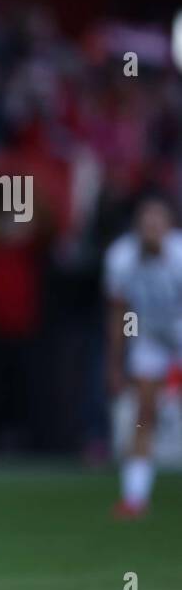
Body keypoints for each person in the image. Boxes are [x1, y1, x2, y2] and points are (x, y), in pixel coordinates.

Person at [104, 194, 182, 518]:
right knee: (143, 413)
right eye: (146, 220)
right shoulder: (120, 257)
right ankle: (135, 497)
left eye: (158, 220)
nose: (152, 227)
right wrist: (115, 362)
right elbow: (120, 312)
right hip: (147, 334)